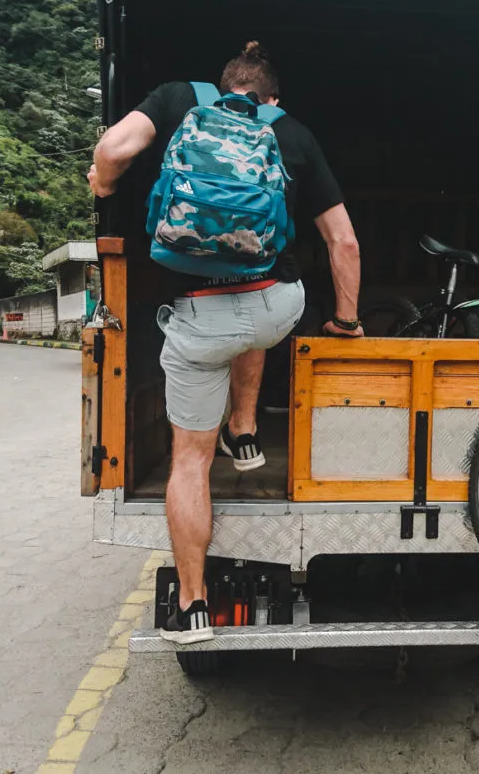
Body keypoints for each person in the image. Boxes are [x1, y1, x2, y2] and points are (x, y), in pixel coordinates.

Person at [88, 42, 363, 643]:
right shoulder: (292, 132)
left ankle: (192, 608)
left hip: (196, 318)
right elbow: (343, 243)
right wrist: (344, 324)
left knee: (190, 460)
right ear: (272, 98)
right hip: (275, 306)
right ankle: (245, 428)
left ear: (221, 85)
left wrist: (103, 187)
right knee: (256, 317)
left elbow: (112, 151)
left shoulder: (177, 100)